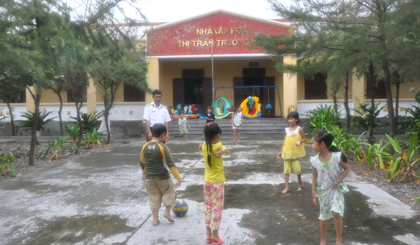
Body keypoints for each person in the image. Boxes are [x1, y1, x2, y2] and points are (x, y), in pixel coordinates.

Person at [310, 130, 350, 245]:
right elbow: (314, 176)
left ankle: (339, 239)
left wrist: (337, 181)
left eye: (312, 143)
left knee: (336, 213)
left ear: (322, 144)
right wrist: (313, 192)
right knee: (323, 216)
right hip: (323, 191)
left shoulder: (337, 157)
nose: (311, 146)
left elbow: (347, 169)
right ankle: (323, 239)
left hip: (336, 189)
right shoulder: (314, 161)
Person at [140, 123, 182, 226]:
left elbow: (142, 162)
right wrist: (177, 176)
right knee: (170, 190)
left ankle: (155, 220)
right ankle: (167, 213)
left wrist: (144, 174)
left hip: (149, 178)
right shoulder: (162, 146)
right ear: (163, 135)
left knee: (154, 196)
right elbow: (170, 162)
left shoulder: (145, 146)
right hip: (162, 176)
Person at [199, 123, 228, 245]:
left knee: (208, 207)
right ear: (217, 135)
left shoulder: (204, 146)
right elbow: (226, 151)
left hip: (207, 182)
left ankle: (209, 235)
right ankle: (216, 236)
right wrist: (223, 150)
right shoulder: (218, 146)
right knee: (217, 208)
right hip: (217, 182)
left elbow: (201, 146)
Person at [277, 111, 306, 194]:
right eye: (288, 119)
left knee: (298, 170)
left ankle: (299, 180)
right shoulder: (287, 130)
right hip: (287, 153)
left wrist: (300, 141)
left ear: (296, 119)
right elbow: (284, 141)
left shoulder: (300, 129)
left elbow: (304, 139)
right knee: (286, 171)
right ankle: (287, 187)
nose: (289, 121)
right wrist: (281, 151)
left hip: (295, 154)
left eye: (291, 119)